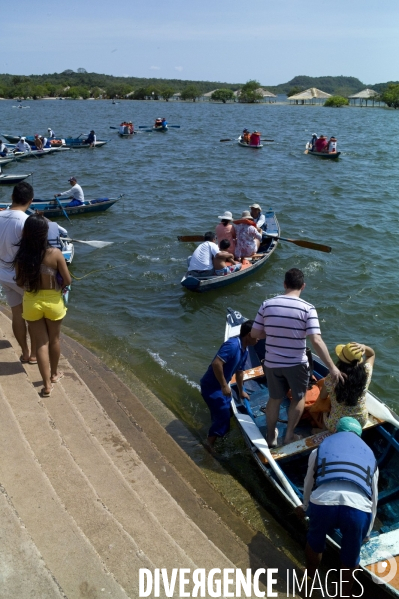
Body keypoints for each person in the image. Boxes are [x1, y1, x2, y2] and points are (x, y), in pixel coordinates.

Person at [251, 268, 344, 446]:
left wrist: (270, 333)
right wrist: (332, 367)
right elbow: (316, 340)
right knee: (298, 398)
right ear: (303, 286)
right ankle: (289, 436)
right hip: (296, 364)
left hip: (272, 363)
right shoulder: (308, 308)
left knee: (274, 399)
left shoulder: (267, 304)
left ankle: (270, 437)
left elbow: (255, 333)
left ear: (284, 284)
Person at [295, 417, 378, 597]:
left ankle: (309, 576)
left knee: (315, 541)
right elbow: (374, 498)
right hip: (358, 510)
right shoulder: (370, 456)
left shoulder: (320, 449)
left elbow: (309, 481)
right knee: (351, 557)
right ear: (359, 435)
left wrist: (306, 506)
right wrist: (367, 532)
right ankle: (344, 593)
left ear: (336, 431)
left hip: (324, 502)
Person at [13, 214, 71, 397]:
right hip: (53, 302)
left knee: (40, 343)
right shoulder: (55, 253)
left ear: (26, 233)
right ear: (45, 233)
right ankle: (54, 375)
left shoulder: (21, 256)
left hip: (32, 301)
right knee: (54, 339)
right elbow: (67, 280)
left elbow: (20, 283)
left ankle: (46, 386)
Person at [200, 319, 259, 447]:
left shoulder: (245, 349)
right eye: (257, 334)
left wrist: (241, 390)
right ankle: (208, 444)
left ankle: (215, 430)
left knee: (228, 413)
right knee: (223, 415)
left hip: (220, 387)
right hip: (211, 386)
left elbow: (240, 372)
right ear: (249, 335)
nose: (259, 338)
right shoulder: (232, 346)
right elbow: (217, 363)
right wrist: (224, 385)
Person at [0, 182, 36, 363]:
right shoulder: (26, 221)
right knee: (35, 317)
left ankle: (25, 352)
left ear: (12, 197)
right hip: (22, 277)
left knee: (17, 314)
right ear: (31, 200)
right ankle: (36, 354)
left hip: (3, 275)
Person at [311, 342, 375, 432]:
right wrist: (364, 347)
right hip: (360, 422)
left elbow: (322, 396)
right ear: (358, 361)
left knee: (323, 406)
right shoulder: (366, 372)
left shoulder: (331, 378)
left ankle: (323, 429)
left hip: (336, 425)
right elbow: (371, 354)